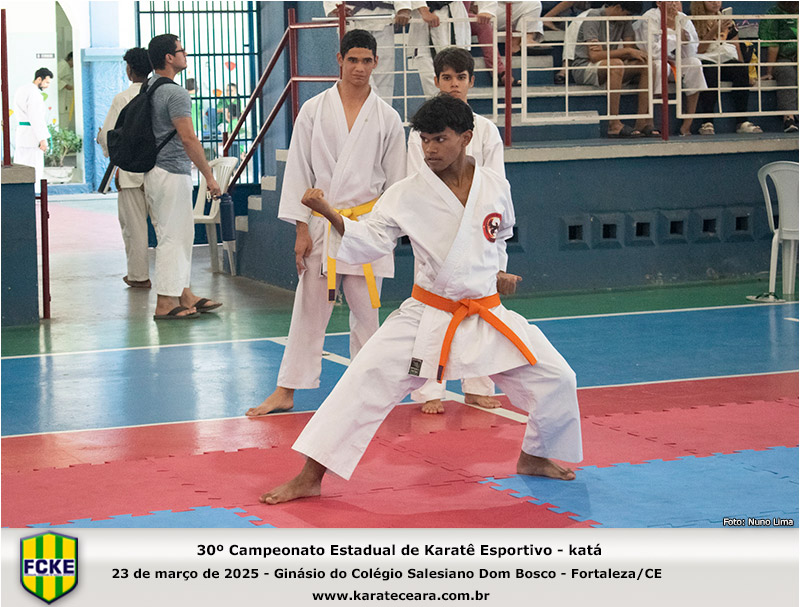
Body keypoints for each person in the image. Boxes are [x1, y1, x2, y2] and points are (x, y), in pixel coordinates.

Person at [259, 94, 583, 505]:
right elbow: (371, 238)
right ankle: (310, 475)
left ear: (466, 137)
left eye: (439, 139)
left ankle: (534, 456)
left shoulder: (495, 186)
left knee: (558, 378)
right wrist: (328, 211)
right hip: (428, 314)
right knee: (360, 381)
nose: (429, 149)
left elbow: (498, 235)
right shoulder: (407, 193)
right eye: (424, 140)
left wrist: (497, 271)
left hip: (486, 313)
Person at [245, 29, 406, 417]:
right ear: (339, 60)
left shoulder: (387, 118)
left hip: (366, 225)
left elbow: (397, 182)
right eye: (353, 60)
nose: (359, 68)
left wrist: (384, 233)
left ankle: (368, 392)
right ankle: (286, 389)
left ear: (376, 63)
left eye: (366, 61)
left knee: (367, 315)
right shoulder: (314, 110)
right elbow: (300, 171)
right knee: (309, 309)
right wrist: (301, 228)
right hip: (320, 225)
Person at [407, 47, 504, 414]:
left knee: (481, 310)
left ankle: (478, 385)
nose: (454, 84)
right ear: (436, 81)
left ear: (471, 82)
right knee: (431, 312)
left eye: (460, 77)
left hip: (477, 234)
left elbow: (495, 185)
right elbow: (417, 183)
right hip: (434, 232)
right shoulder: (422, 131)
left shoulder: (486, 131)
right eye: (446, 77)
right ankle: (429, 388)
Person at [144, 34, 223, 320]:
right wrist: (209, 176)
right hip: (170, 171)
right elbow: (188, 138)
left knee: (180, 234)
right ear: (169, 57)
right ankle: (165, 302)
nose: (185, 54)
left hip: (156, 171)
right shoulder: (175, 93)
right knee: (173, 237)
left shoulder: (151, 86)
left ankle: (184, 294)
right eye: (181, 50)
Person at [97, 48, 153, 289]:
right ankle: (175, 281)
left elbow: (107, 136)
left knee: (134, 228)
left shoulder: (122, 98)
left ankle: (139, 276)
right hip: (159, 170)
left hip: (130, 173)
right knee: (165, 227)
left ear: (129, 70)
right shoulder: (159, 94)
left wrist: (102, 141)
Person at [570, 2, 652, 138]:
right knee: (616, 64)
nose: (628, 18)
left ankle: (642, 122)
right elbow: (594, 56)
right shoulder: (594, 16)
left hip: (607, 64)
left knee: (645, 63)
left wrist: (629, 52)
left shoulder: (624, 20)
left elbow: (630, 49)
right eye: (627, 15)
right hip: (584, 67)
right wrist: (626, 51)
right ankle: (614, 124)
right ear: (618, 7)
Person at [634, 1, 708, 137]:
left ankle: (687, 123)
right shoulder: (649, 18)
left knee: (695, 64)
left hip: (676, 62)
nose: (674, 4)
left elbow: (692, 51)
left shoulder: (683, 18)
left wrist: (679, 32)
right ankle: (650, 121)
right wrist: (674, 34)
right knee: (659, 65)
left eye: (676, 0)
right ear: (658, 2)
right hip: (656, 62)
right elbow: (652, 51)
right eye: (669, 0)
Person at [690, 1, 762, 135]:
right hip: (704, 60)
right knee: (710, 71)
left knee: (740, 70)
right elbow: (699, 50)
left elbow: (736, 46)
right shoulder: (692, 19)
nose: (715, 2)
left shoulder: (726, 20)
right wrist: (714, 29)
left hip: (723, 58)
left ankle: (742, 121)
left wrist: (743, 68)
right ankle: (707, 121)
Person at [323, 1, 413, 103]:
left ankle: (383, 109)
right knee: (357, 70)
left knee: (385, 72)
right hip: (352, 17)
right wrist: (335, 9)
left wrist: (403, 8)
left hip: (383, 18)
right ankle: (367, 107)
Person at [408, 1, 474, 97]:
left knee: (459, 71)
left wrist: (486, 10)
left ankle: (457, 106)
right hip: (423, 20)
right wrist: (423, 10)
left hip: (453, 15)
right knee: (430, 80)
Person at [759, 1, 798, 133]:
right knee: (786, 72)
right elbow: (773, 45)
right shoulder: (773, 14)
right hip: (783, 58)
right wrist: (769, 71)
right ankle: (789, 118)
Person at [13, 67, 53, 189]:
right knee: (34, 169)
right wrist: (42, 139)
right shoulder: (34, 94)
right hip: (32, 136)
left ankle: (21, 193)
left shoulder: (22, 90)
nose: (47, 86)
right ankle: (32, 194)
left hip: (22, 134)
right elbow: (36, 118)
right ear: (39, 79)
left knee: (20, 167)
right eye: (46, 82)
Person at [466, 1, 521, 87]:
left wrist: (486, 10)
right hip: (445, 18)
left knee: (483, 23)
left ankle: (499, 72)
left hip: (462, 17)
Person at [57, 52, 74, 129]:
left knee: (66, 117)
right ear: (71, 59)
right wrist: (66, 86)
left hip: (66, 97)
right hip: (62, 96)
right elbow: (55, 78)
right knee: (63, 118)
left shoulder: (66, 66)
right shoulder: (63, 65)